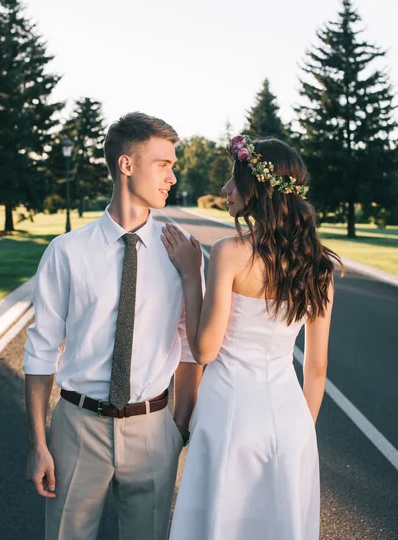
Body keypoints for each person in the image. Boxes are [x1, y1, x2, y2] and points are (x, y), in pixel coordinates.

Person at [23, 112, 202, 540]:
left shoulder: (182, 254)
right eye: (164, 164)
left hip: (154, 429)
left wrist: (178, 428)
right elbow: (41, 350)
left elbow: (189, 349)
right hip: (77, 427)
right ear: (126, 165)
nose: (172, 177)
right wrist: (38, 444)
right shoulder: (66, 252)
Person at [162, 135, 343, 540]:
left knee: (219, 523)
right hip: (291, 421)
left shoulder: (229, 252)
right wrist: (301, 432)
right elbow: (316, 367)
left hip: (229, 414)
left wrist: (192, 275)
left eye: (233, 179)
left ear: (257, 190)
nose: (226, 190)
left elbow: (205, 349)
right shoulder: (320, 268)